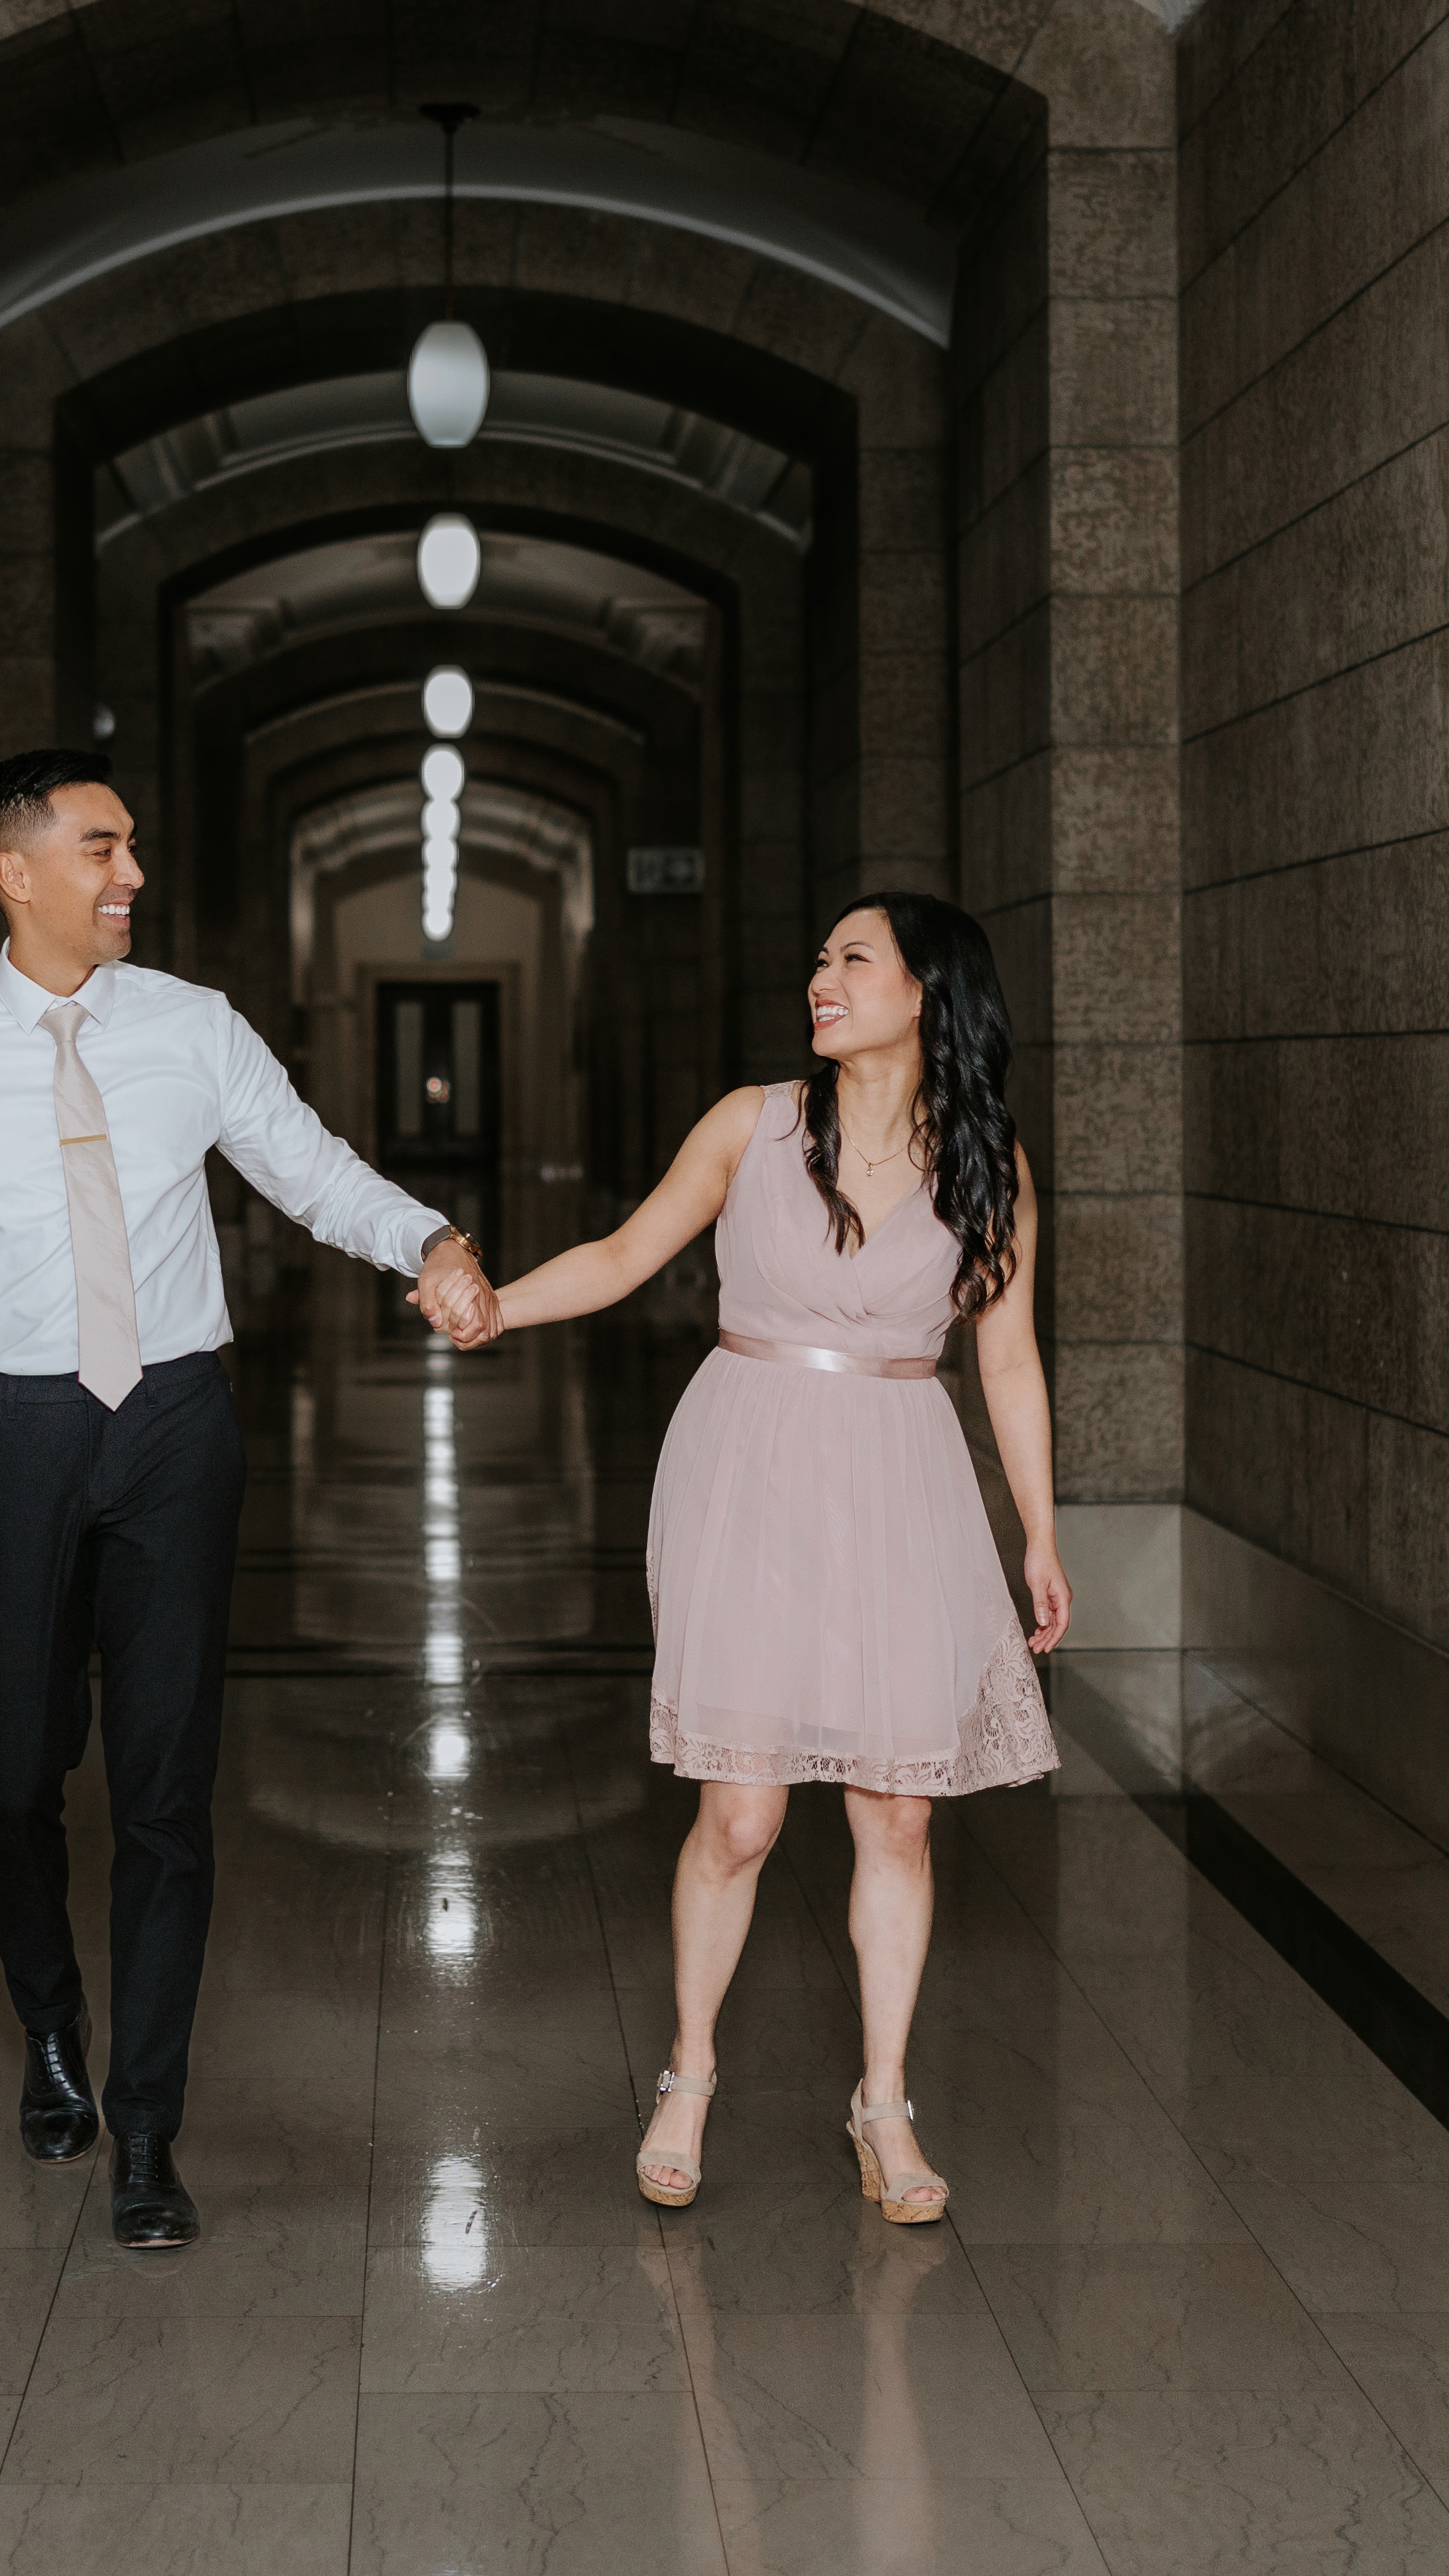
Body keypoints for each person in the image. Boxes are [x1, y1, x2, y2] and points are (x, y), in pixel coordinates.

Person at [0, 749, 501, 2250]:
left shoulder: (194, 1028)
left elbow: (309, 1169)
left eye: (131, 848)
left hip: (177, 1423)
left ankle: (145, 2124)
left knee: (167, 1785)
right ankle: (48, 2025)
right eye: (104, 849)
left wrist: (429, 1241)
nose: (133, 876)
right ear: (17, 871)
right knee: (10, 1771)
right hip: (7, 1432)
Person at [459, 892, 1066, 2223]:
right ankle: (690, 2069)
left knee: (896, 1808)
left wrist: (1039, 1528)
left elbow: (1007, 1359)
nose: (820, 976)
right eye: (818, 952)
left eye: (853, 956)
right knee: (741, 1813)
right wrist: (500, 1303)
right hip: (749, 1463)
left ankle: (885, 2101)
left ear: (928, 992)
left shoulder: (989, 1161)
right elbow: (625, 1253)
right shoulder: (754, 1123)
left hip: (903, 1473)